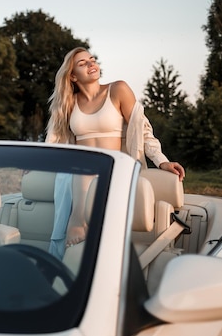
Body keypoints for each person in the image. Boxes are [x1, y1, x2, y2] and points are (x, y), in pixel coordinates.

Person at [45, 47, 185, 258]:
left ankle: (82, 223)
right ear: (72, 76)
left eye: (92, 60)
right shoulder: (68, 103)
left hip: (113, 168)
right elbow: (54, 137)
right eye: (83, 63)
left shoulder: (118, 89)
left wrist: (161, 161)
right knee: (77, 173)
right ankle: (78, 219)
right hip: (81, 173)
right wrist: (36, 162)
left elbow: (142, 128)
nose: (91, 64)